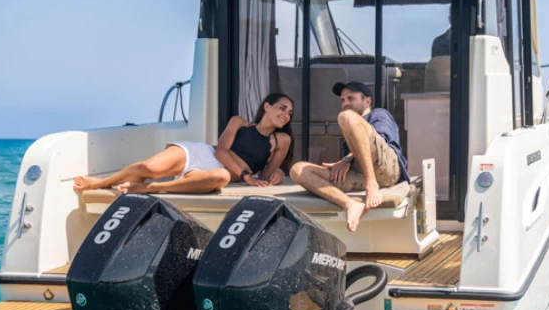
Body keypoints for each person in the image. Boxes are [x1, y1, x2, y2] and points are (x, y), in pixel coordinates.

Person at [73, 93, 295, 195]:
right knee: (148, 168)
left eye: (290, 113)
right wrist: (247, 174)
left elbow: (265, 176)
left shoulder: (281, 140)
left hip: (220, 172)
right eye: (282, 108)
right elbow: (220, 151)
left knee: (222, 177)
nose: (286, 115)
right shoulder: (238, 122)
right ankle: (102, 183)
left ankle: (151, 188)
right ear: (267, 106)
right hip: (202, 153)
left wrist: (275, 176)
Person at [290, 82, 409, 233]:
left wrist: (347, 159)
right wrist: (345, 162)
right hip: (359, 173)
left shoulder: (378, 114)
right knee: (298, 170)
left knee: (346, 117)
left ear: (367, 101)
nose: (345, 103)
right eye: (342, 100)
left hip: (387, 167)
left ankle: (371, 184)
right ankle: (350, 205)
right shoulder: (350, 124)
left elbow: (382, 141)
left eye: (351, 98)